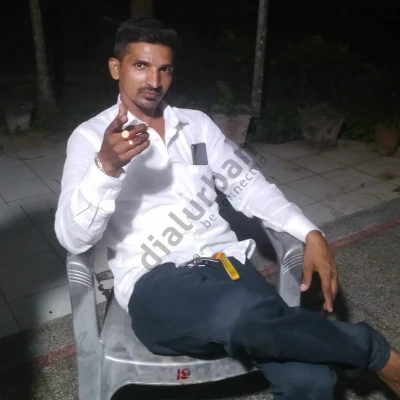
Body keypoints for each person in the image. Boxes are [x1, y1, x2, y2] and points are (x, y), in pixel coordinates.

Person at [55, 17, 400, 399]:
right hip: (156, 281)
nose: (154, 80)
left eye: (164, 68)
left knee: (312, 381)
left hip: (227, 265)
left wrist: (310, 232)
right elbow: (73, 237)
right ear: (115, 67)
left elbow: (248, 185)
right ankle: (377, 354)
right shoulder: (91, 138)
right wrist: (105, 168)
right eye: (141, 65)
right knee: (236, 311)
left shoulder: (197, 126)